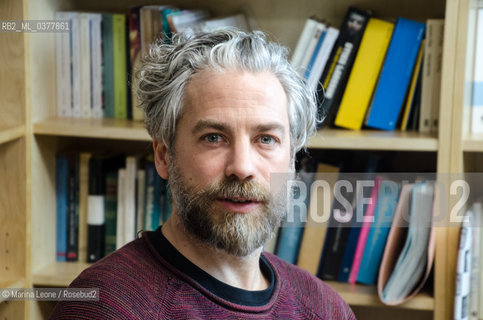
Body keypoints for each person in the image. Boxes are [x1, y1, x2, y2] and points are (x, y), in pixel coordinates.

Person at [51, 29, 355, 319]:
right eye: (213, 137)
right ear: (164, 156)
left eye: (266, 139)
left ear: (291, 161)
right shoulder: (104, 308)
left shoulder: (326, 309)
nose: (242, 167)